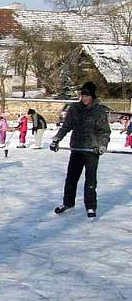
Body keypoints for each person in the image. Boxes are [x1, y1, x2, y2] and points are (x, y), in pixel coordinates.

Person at [50, 81, 111, 218]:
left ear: (93, 96)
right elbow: (66, 126)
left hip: (92, 151)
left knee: (90, 180)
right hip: (77, 149)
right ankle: (68, 203)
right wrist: (56, 139)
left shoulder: (99, 111)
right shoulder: (74, 108)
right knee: (71, 178)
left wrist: (102, 145)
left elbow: (105, 132)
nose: (84, 98)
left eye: (87, 95)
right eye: (82, 95)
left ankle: (90, 206)